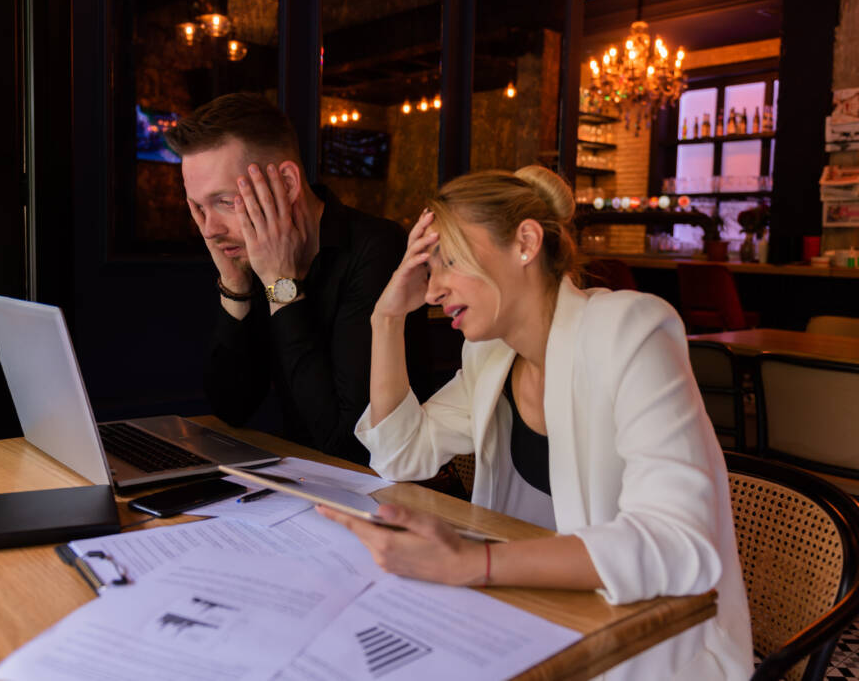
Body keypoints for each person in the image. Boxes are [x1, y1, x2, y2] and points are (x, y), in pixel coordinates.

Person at [317, 167, 753, 679]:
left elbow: (678, 545)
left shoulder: (628, 331)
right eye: (429, 270)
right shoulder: (491, 356)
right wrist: (385, 320)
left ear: (525, 242)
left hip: (653, 645)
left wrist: (472, 564)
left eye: (449, 262)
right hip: (535, 617)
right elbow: (399, 454)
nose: (432, 292)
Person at [166, 93, 425, 466]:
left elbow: (346, 445)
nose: (209, 230)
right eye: (199, 208)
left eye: (224, 202)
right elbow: (231, 407)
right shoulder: (248, 252)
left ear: (286, 183)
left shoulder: (377, 249)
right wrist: (235, 286)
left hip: (384, 495)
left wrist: (280, 283)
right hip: (298, 483)